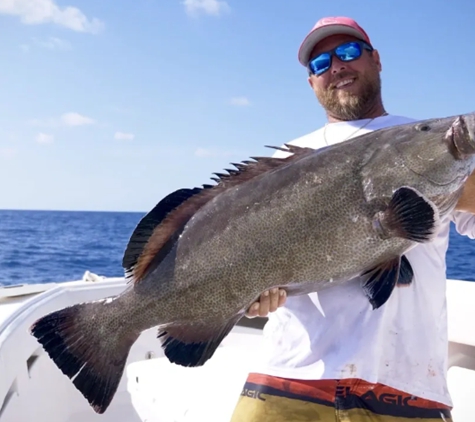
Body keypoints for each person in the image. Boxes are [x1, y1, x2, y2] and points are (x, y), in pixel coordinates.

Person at [229, 16, 475, 422]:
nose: (336, 67)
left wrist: (452, 185)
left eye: (347, 53)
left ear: (376, 60)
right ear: (311, 83)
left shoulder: (432, 142)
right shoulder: (282, 164)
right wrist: (244, 298)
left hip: (408, 389)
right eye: (320, 64)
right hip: (286, 378)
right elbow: (234, 260)